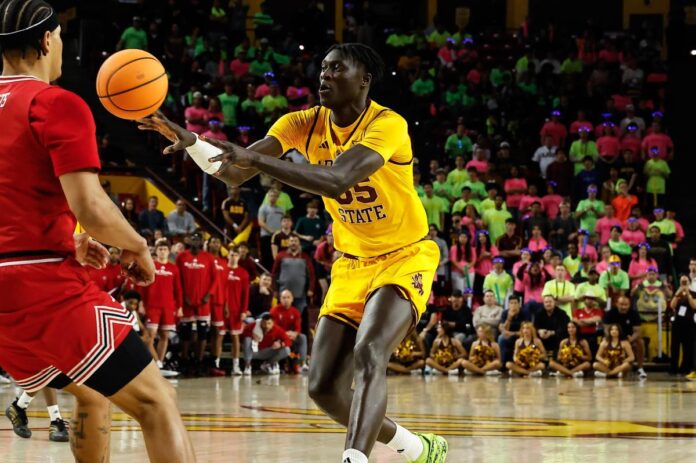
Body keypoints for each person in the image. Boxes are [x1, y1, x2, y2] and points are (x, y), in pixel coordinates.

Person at [140, 43, 448, 463]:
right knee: (323, 388)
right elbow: (234, 171)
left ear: (364, 80)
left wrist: (252, 158)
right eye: (322, 68)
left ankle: (354, 459)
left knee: (370, 352)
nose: (324, 75)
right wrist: (193, 142)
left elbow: (337, 179)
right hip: (351, 263)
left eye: (336, 69)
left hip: (404, 255)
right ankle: (417, 448)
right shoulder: (302, 123)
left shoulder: (387, 124)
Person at [0, 2, 194, 461]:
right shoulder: (56, 103)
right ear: (47, 39)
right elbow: (90, 205)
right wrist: (137, 246)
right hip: (42, 287)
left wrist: (67, 239)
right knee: (158, 401)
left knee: (90, 391)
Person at [176, 232, 216, 375]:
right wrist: (183, 296)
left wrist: (208, 295)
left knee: (202, 333)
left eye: (198, 239)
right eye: (193, 239)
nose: (195, 241)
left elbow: (215, 279)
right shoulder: (181, 257)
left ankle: (199, 360)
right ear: (189, 241)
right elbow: (178, 279)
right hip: (187, 302)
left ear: (202, 242)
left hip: (203, 302)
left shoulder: (208, 258)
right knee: (185, 334)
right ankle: (184, 360)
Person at [141, 239, 182, 372]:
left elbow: (178, 289)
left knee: (164, 336)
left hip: (168, 307)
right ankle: (157, 363)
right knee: (149, 337)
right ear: (156, 251)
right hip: (152, 306)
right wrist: (141, 303)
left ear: (169, 251)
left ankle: (160, 363)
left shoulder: (174, 268)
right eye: (160, 249)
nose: (162, 252)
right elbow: (142, 285)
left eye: (165, 249)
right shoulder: (150, 266)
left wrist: (179, 307)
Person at [603, 296, 647, 378]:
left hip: (629, 339)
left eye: (626, 305)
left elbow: (637, 331)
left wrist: (631, 339)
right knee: (604, 342)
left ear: (629, 305)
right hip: (613, 338)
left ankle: (640, 368)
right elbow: (606, 329)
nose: (624, 307)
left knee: (640, 342)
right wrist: (613, 339)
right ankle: (606, 367)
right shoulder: (610, 313)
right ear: (617, 304)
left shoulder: (634, 314)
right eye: (621, 304)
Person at [270, 289, 309, 373]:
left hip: (290, 336)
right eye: (284, 297)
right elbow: (273, 327)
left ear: (292, 299)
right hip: (278, 337)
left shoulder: (295, 312)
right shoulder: (274, 311)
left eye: (288, 297)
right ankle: (278, 364)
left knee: (302, 337)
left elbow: (298, 328)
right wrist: (285, 334)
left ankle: (302, 363)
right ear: (280, 299)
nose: (286, 300)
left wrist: (295, 333)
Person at [669, 275, 696, 375]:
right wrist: (678, 293)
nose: (684, 283)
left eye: (686, 281)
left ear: (689, 282)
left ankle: (685, 367)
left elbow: (694, 306)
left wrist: (688, 293)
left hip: (689, 322)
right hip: (677, 322)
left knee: (687, 346)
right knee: (674, 346)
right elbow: (672, 306)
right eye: (682, 281)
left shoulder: (693, 293)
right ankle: (673, 368)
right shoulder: (677, 293)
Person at [497, 295, 529, 364]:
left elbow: (526, 330)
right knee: (501, 338)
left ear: (519, 304)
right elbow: (502, 329)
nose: (513, 305)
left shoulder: (525, 313)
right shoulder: (505, 313)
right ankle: (502, 363)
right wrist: (509, 318)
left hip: (521, 336)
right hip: (509, 336)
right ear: (508, 304)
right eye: (511, 303)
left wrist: (512, 333)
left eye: (515, 303)